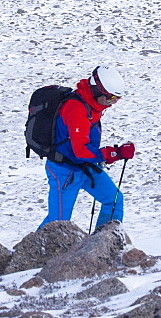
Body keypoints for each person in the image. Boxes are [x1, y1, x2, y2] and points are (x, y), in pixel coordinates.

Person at [37, 66, 135, 230]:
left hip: (83, 167)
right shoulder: (76, 110)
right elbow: (81, 151)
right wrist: (115, 153)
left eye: (116, 100)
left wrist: (111, 153)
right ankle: (31, 254)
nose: (112, 104)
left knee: (114, 200)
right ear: (98, 91)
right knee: (58, 223)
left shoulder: (92, 105)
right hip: (64, 172)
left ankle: (104, 245)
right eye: (111, 99)